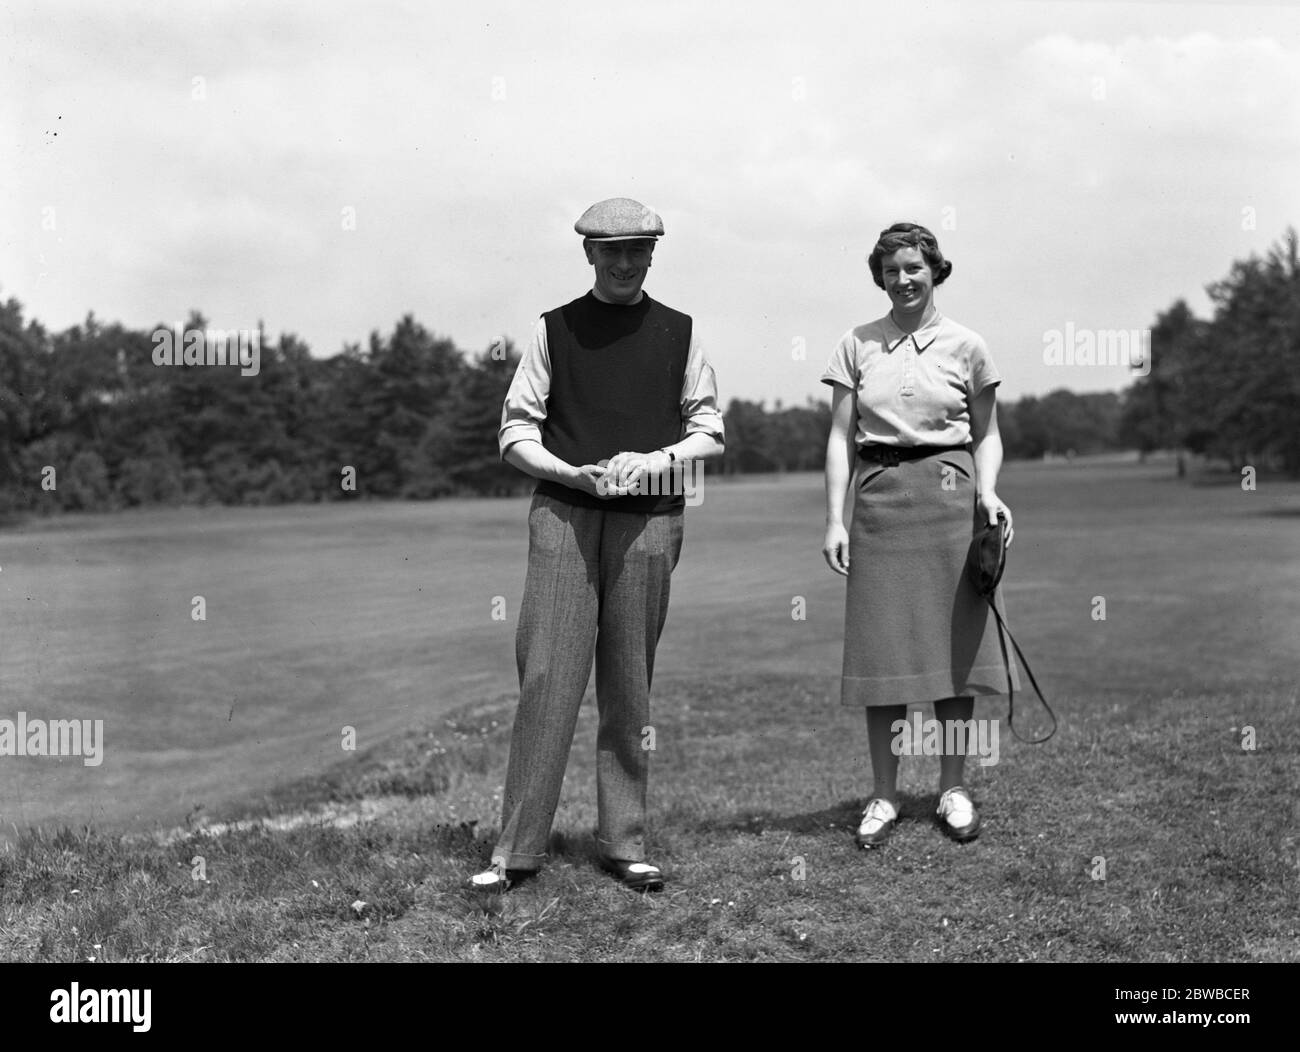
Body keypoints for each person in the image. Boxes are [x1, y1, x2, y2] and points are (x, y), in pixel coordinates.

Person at [471, 197, 725, 892]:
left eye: (636, 249)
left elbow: (710, 430)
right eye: (608, 250)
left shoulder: (681, 331)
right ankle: (516, 851)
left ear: (651, 254)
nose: (622, 261)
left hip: (651, 521)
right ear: (588, 254)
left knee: (629, 687)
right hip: (564, 517)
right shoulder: (556, 329)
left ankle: (625, 842)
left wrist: (652, 459)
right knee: (548, 679)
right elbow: (515, 431)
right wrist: (567, 470)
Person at [821, 221, 1018, 848]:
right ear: (878, 277)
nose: (902, 280)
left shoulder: (968, 345)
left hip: (953, 502)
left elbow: (985, 433)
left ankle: (952, 789)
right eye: (890, 271)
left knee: (951, 657)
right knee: (886, 656)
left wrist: (988, 492)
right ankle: (883, 795)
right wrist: (834, 518)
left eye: (913, 268)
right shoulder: (856, 343)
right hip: (879, 502)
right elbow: (838, 438)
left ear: (935, 269)